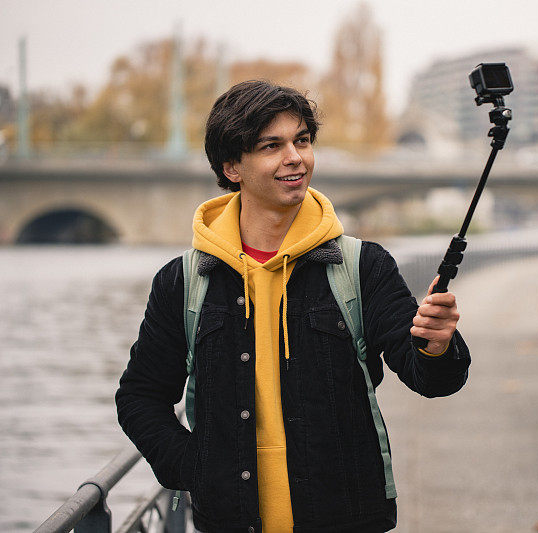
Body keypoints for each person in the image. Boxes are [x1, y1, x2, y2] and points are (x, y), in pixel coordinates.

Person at [116, 80, 470, 533]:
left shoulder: (363, 266)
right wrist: (196, 468)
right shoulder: (183, 281)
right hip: (230, 522)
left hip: (346, 520)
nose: (295, 158)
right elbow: (140, 398)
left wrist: (436, 346)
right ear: (232, 167)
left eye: (302, 140)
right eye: (272, 146)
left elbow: (429, 378)